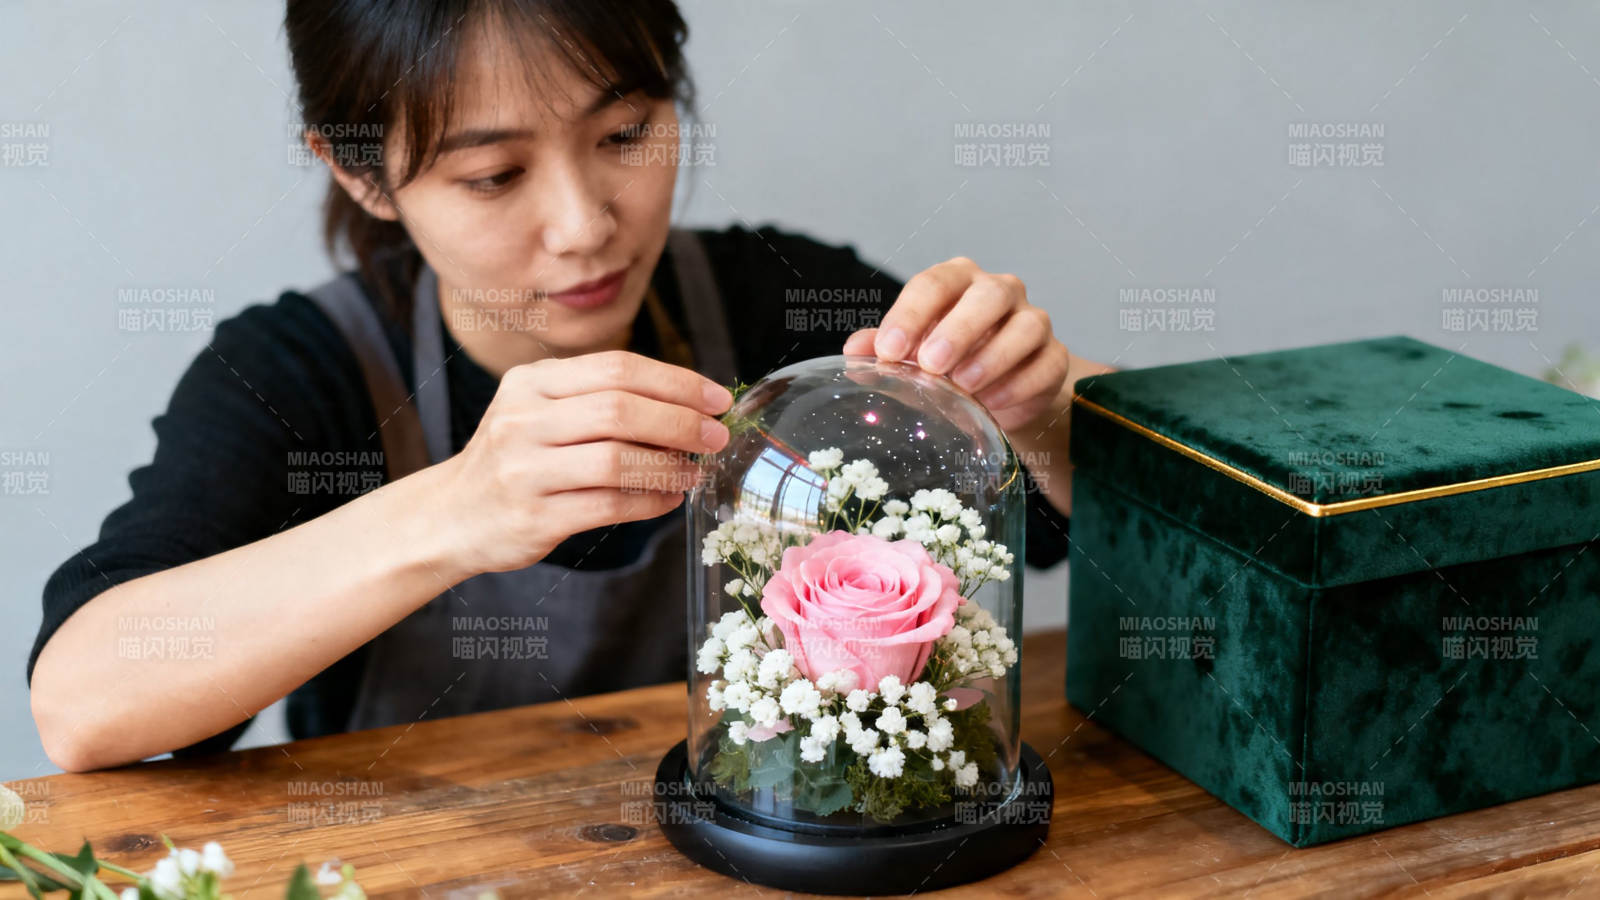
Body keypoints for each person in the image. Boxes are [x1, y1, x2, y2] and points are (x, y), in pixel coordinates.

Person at [28, 0, 1107, 772]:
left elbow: (1093, 516)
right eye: (493, 174)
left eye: (625, 134)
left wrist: (1042, 413)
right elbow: (82, 703)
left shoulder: (779, 303)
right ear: (361, 171)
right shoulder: (302, 374)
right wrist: (459, 509)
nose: (586, 225)